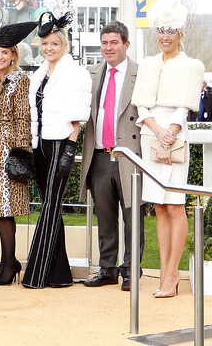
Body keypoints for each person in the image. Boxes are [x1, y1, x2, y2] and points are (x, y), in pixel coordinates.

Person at [131, 0, 205, 298]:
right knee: (159, 207)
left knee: (175, 206)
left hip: (176, 136)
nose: (165, 36)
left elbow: (186, 106)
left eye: (171, 31)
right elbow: (141, 105)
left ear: (180, 34)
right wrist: (157, 131)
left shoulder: (192, 65)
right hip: (151, 135)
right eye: (161, 30)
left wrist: (169, 134)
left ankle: (173, 275)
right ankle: (164, 274)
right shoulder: (147, 64)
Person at [22, 14, 91, 289]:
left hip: (61, 142)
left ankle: (37, 274)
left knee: (50, 206)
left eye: (54, 43)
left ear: (64, 44)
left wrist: (70, 148)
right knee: (51, 207)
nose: (49, 48)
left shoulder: (75, 73)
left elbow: (77, 114)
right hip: (41, 144)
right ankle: (60, 274)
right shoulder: (39, 73)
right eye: (45, 44)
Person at [80, 22, 143, 292]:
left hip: (130, 155)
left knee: (132, 217)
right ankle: (107, 269)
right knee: (105, 218)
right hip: (99, 155)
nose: (108, 48)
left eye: (114, 42)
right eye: (104, 43)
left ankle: (130, 271)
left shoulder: (141, 74)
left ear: (126, 45)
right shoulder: (92, 73)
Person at [0, 22, 35, 286]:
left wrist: (22, 152)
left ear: (13, 55)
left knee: (6, 207)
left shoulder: (20, 80)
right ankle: (7, 262)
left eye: (4, 52)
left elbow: (24, 116)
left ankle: (9, 264)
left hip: (8, 148)